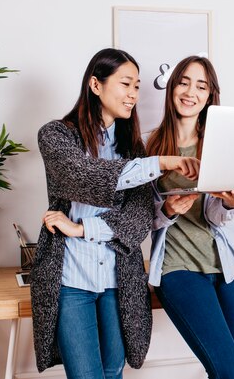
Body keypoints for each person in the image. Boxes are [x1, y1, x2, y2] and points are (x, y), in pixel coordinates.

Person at [30, 48, 200, 379]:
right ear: (95, 84)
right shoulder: (56, 135)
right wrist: (160, 162)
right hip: (71, 279)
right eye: (126, 84)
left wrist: (81, 229)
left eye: (137, 86)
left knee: (113, 370)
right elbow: (85, 176)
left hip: (117, 280)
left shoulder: (131, 148)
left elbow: (137, 221)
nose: (133, 94)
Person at [145, 55, 234, 379]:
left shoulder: (220, 144)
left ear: (210, 95)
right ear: (172, 87)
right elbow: (138, 217)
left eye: (201, 86)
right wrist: (168, 210)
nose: (191, 92)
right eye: (184, 82)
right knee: (230, 372)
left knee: (229, 373)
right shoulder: (149, 146)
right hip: (180, 269)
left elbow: (216, 217)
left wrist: (231, 203)